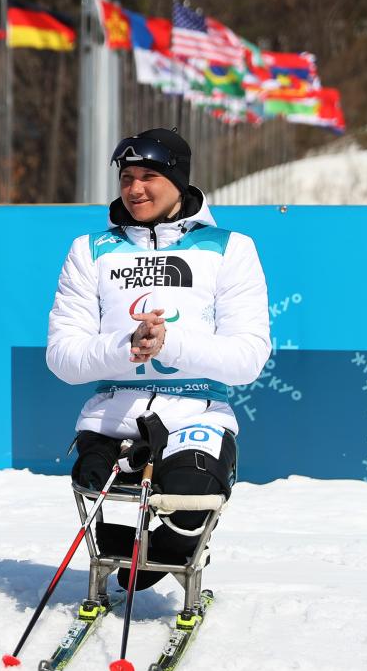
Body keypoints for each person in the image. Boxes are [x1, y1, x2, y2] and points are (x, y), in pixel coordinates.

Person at [46, 127, 270, 589]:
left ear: (180, 180)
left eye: (149, 175)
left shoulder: (230, 248)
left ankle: (174, 549)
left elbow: (248, 359)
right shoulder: (90, 250)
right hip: (113, 418)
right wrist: (124, 345)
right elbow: (62, 358)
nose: (135, 188)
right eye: (126, 176)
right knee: (94, 498)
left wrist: (170, 342)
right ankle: (126, 561)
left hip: (196, 413)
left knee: (188, 510)